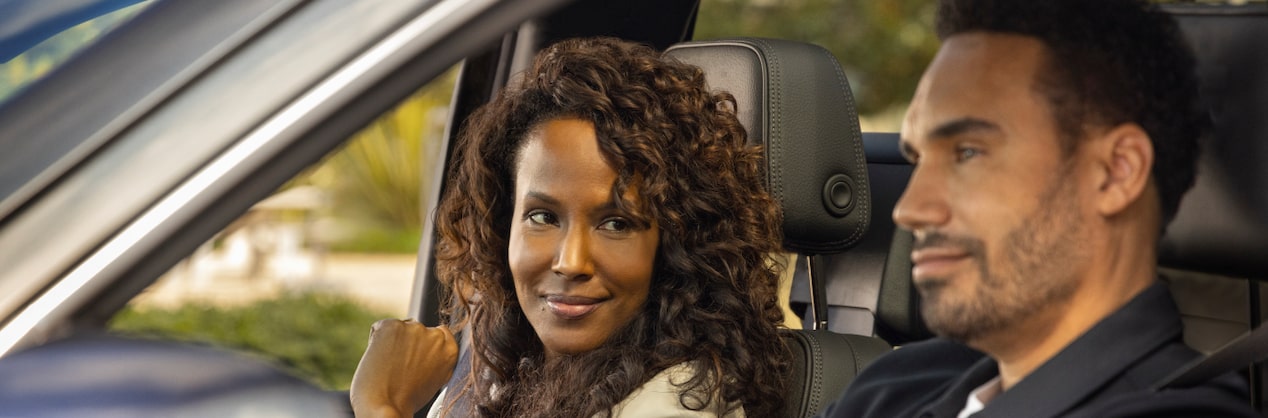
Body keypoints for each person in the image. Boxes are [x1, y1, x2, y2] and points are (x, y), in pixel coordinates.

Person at [818, 0, 1259, 417]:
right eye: (916, 159)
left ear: (1115, 172)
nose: (910, 209)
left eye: (968, 153)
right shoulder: (893, 386)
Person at [349, 37, 790, 418]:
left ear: (677, 245)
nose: (570, 261)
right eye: (542, 217)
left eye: (616, 223)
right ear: (504, 227)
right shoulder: (512, 373)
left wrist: (382, 405)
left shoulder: (675, 401)